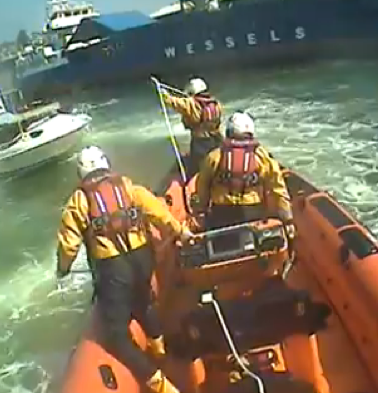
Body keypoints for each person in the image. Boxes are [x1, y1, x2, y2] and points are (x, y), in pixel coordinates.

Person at [55, 146, 192, 393]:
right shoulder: (129, 187)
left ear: (81, 173)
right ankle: (158, 350)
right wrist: (180, 231)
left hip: (113, 268)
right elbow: (157, 212)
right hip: (142, 260)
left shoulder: (79, 201)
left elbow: (68, 245)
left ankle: (162, 385)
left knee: (116, 335)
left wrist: (62, 270)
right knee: (144, 304)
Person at [194, 111, 296, 238]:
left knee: (223, 245)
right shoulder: (263, 157)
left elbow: (202, 186)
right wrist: (287, 219)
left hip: (222, 211)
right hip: (252, 210)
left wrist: (201, 210)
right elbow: (278, 188)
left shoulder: (215, 156)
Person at [160, 77, 223, 180]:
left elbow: (172, 102)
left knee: (195, 168)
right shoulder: (216, 103)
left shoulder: (190, 103)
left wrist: (164, 94)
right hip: (217, 139)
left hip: (201, 143)